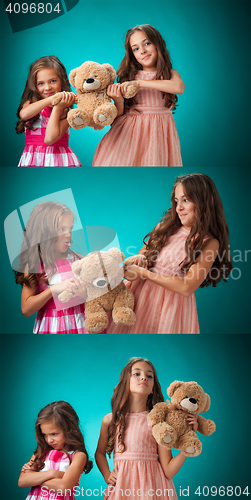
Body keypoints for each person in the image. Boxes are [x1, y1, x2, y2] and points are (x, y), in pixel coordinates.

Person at [107, 173, 233, 334]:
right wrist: (132, 267)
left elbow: (187, 287)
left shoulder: (209, 243)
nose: (179, 207)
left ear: (205, 202)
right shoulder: (165, 228)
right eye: (176, 201)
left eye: (186, 200)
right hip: (136, 298)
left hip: (168, 309)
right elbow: (135, 267)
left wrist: (145, 273)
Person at [95, 358, 197, 500]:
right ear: (126, 382)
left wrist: (189, 442)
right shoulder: (110, 420)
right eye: (137, 374)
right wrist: (106, 474)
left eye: (149, 376)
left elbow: (168, 471)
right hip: (121, 490)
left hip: (154, 490)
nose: (144, 377)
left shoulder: (159, 423)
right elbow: (99, 453)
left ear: (152, 388)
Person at [92, 24, 184, 167]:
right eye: (136, 48)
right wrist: (118, 99)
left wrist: (141, 83)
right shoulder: (129, 77)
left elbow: (178, 87)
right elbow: (117, 118)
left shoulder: (170, 74)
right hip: (129, 136)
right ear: (132, 54)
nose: (142, 51)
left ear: (157, 44)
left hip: (158, 136)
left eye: (147, 43)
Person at [14, 201, 93, 334]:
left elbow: (96, 296)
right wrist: (54, 289)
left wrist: (84, 294)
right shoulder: (35, 265)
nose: (68, 234)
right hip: (54, 326)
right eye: (61, 229)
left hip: (84, 324)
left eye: (70, 228)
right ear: (44, 232)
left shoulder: (78, 259)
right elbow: (26, 310)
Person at [18, 401, 92, 499]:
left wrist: (35, 477)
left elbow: (63, 487)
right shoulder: (41, 453)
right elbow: (22, 481)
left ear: (69, 429)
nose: (49, 440)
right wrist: (53, 473)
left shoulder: (78, 456)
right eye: (45, 434)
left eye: (54, 434)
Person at [16, 56, 81, 167]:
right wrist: (50, 100)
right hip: (33, 159)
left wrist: (57, 108)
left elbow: (50, 139)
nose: (47, 88)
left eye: (53, 81)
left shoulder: (66, 111)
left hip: (60, 160)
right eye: (40, 83)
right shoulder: (30, 103)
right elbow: (24, 114)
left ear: (62, 81)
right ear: (34, 85)